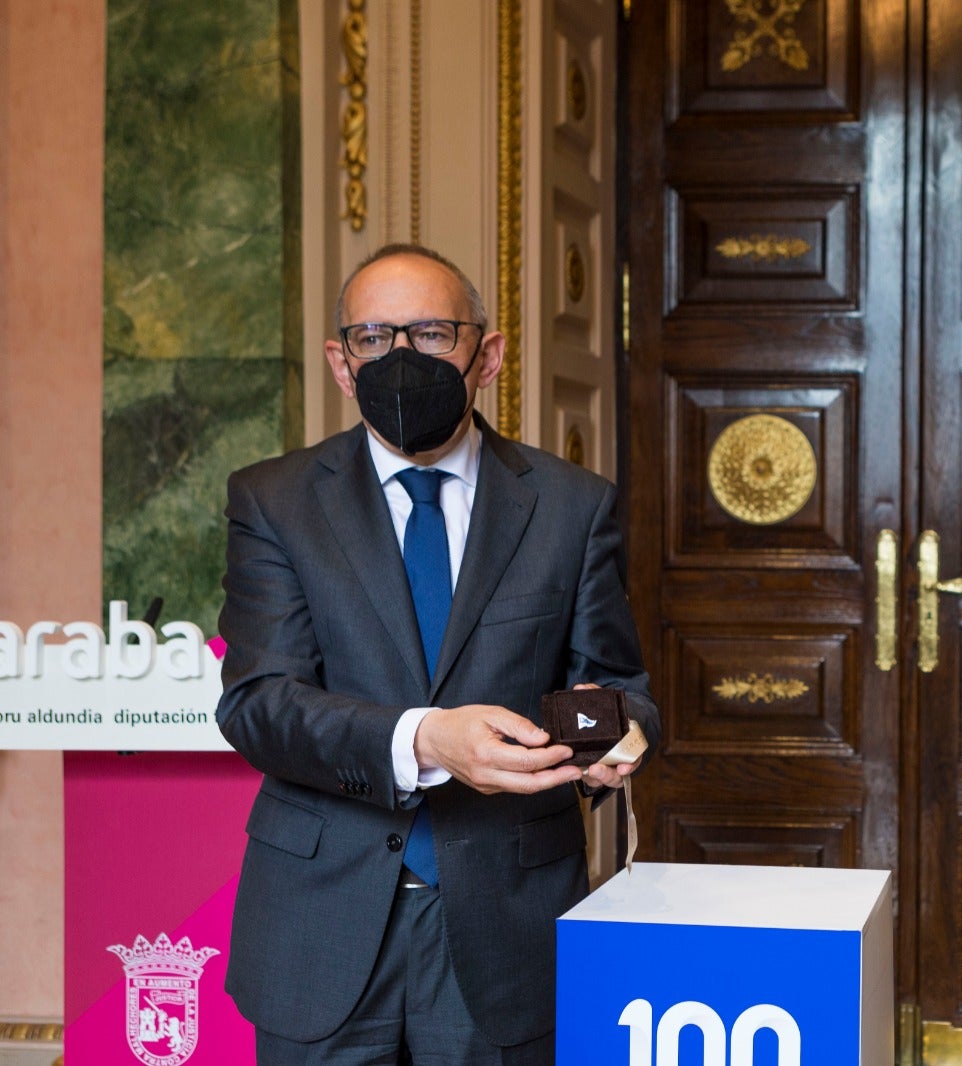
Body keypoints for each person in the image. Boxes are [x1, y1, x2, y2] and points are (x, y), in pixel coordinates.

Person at [216, 243, 659, 1065]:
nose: (402, 359)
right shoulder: (272, 501)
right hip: (321, 928)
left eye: (429, 333)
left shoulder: (572, 506)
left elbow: (616, 685)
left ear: (485, 355)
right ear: (342, 364)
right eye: (375, 338)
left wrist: (607, 744)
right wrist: (426, 740)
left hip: (508, 928)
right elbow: (260, 704)